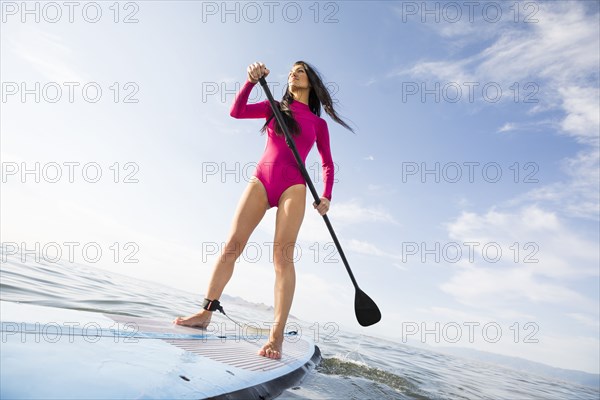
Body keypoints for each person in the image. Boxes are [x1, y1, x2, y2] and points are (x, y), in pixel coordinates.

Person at [173, 61, 353, 359]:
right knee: (232, 245)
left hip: (293, 186)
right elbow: (237, 111)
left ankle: (276, 336)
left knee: (282, 257)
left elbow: (327, 163)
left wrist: (327, 196)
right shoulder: (273, 106)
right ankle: (205, 313)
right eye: (291, 70)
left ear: (311, 82)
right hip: (261, 180)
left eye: (300, 70)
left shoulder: (318, 124)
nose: (293, 73)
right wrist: (250, 82)